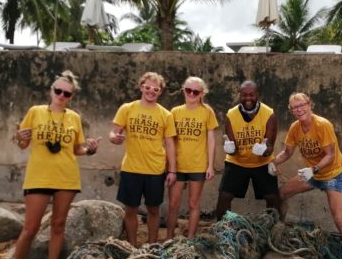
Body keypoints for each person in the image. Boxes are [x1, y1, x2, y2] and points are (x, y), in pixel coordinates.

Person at [10, 70, 101, 259]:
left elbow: (77, 148)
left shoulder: (74, 118)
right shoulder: (35, 112)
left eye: (67, 94)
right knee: (30, 228)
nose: (61, 96)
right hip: (39, 176)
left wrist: (90, 149)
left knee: (58, 225)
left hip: (66, 176)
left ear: (72, 97)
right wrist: (19, 138)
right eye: (58, 91)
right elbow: (23, 143)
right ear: (51, 91)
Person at [272, 93, 342, 259]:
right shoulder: (295, 128)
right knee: (280, 194)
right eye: (295, 107)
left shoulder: (323, 125)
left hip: (332, 174)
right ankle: (279, 234)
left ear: (310, 105)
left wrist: (314, 170)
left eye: (302, 105)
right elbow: (287, 151)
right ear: (291, 110)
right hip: (312, 173)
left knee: (339, 220)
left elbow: (330, 155)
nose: (299, 109)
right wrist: (273, 162)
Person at [109, 72, 177, 246]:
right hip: (131, 168)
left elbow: (170, 144)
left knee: (153, 210)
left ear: (160, 92)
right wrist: (114, 138)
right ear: (141, 87)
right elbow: (114, 133)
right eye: (147, 87)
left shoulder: (165, 115)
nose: (151, 91)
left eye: (156, 89)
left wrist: (172, 171)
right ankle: (132, 246)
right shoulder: (127, 108)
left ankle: (152, 246)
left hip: (155, 169)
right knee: (130, 210)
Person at [215, 80, 280, 220]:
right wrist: (230, 149)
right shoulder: (231, 114)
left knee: (272, 197)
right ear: (240, 95)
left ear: (257, 95)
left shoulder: (269, 114)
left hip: (262, 162)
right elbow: (232, 148)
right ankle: (221, 229)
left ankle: (273, 229)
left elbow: (270, 147)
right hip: (237, 161)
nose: (248, 98)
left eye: (251, 95)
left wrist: (264, 150)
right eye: (244, 95)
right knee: (224, 196)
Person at [167, 77, 219, 239]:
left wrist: (210, 165)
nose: (191, 94)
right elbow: (169, 140)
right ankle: (168, 237)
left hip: (197, 165)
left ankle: (190, 238)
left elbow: (211, 141)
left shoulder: (207, 112)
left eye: (195, 92)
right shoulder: (175, 112)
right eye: (188, 90)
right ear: (183, 90)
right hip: (177, 166)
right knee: (173, 204)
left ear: (202, 93)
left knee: (193, 204)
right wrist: (170, 166)